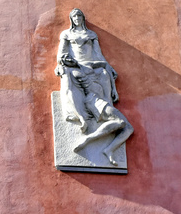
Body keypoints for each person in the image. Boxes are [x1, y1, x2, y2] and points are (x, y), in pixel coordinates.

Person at [55, 9, 133, 166]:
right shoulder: (67, 36)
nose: (77, 18)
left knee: (125, 126)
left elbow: (99, 55)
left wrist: (112, 85)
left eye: (79, 16)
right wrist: (61, 65)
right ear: (71, 19)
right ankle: (94, 141)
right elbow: (62, 54)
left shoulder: (91, 37)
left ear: (82, 18)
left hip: (96, 87)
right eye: (74, 16)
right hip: (94, 99)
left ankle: (106, 148)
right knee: (124, 125)